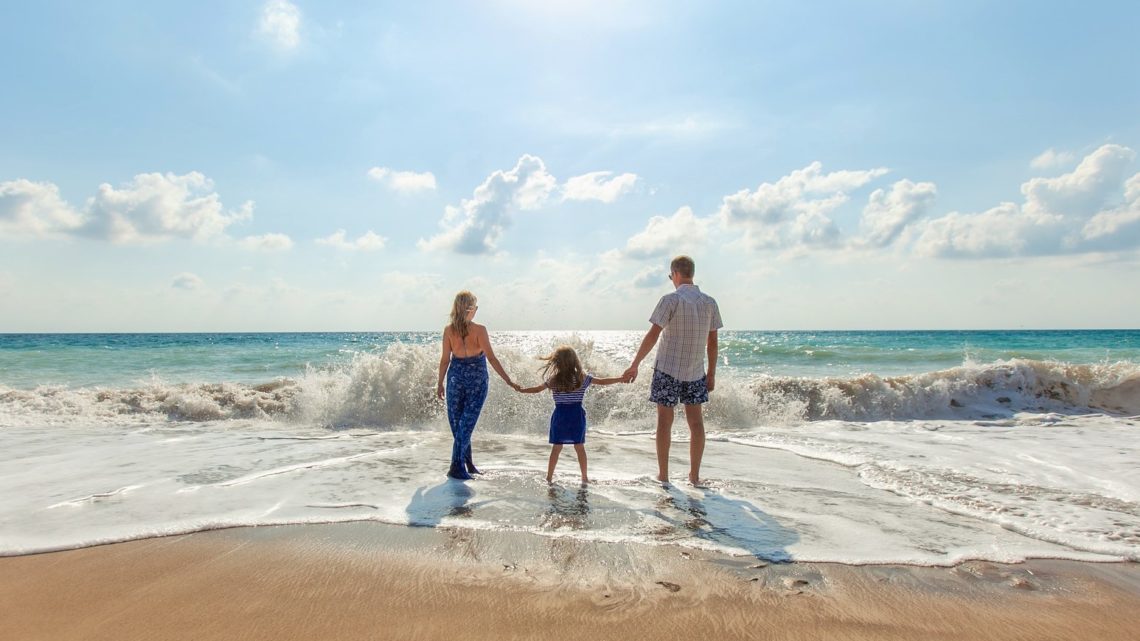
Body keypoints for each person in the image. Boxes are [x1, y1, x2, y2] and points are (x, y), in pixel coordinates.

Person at [622, 256, 722, 485]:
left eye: (670, 276)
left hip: (667, 369)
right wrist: (712, 373)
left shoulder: (670, 300)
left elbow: (653, 334)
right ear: (692, 274)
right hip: (696, 371)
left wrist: (635, 364)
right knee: (696, 424)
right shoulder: (710, 302)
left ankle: (664, 476)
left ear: (675, 274)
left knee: (664, 423)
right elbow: (713, 343)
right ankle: (694, 477)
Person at [513, 346, 625, 484]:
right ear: (575, 361)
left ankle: (549, 477)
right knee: (579, 447)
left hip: (560, 416)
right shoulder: (582, 378)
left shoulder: (554, 380)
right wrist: (621, 378)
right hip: (576, 416)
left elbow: (537, 389)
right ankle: (584, 477)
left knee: (556, 448)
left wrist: (522, 390)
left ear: (557, 362)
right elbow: (602, 381)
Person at [436, 291, 515, 480]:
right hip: (476, 380)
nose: (477, 311)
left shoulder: (449, 330)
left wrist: (440, 383)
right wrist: (508, 380)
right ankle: (456, 466)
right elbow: (492, 358)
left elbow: (445, 361)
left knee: (461, 424)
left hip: (455, 377)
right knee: (464, 425)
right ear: (470, 309)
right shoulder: (479, 330)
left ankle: (467, 463)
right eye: (476, 307)